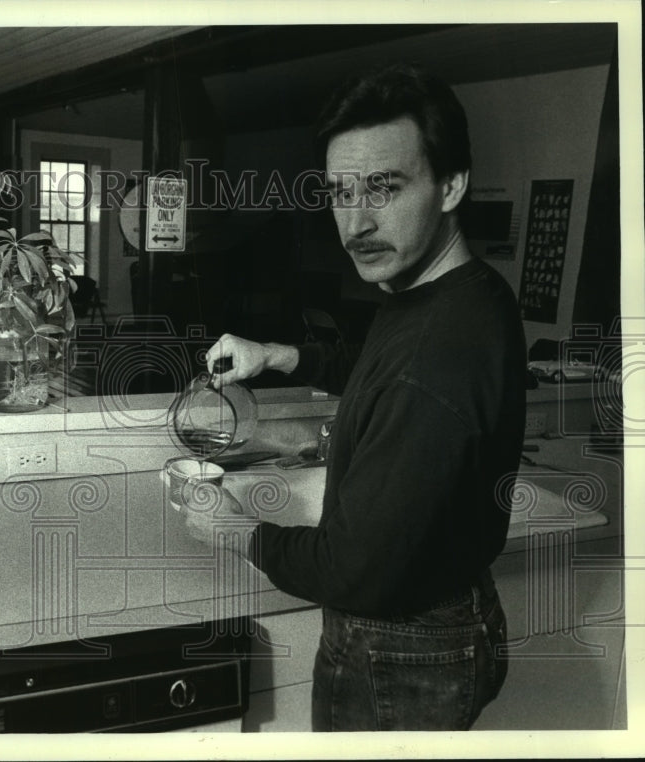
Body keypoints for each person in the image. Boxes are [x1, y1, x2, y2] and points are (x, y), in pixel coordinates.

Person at [182, 63, 527, 731]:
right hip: (454, 619)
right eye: (340, 191)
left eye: (384, 187)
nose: (356, 221)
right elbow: (377, 364)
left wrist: (234, 530)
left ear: (452, 184)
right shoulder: (458, 292)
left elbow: (353, 570)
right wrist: (277, 354)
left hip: (399, 650)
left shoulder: (437, 352)